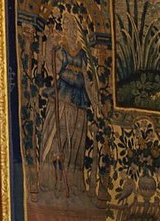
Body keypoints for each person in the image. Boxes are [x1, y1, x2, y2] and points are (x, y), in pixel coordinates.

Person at [40, 11, 102, 199]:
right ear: (65, 30)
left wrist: (94, 100)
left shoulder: (82, 54)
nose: (72, 31)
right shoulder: (61, 49)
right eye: (69, 27)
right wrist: (50, 44)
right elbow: (53, 70)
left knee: (77, 140)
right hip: (64, 96)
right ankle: (52, 180)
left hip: (79, 98)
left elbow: (86, 77)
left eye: (74, 28)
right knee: (58, 135)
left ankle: (74, 183)